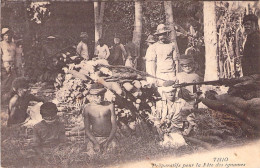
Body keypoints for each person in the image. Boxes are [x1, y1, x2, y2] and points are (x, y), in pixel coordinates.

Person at [83, 83, 117, 155]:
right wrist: (95, 143)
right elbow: (87, 130)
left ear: (104, 94)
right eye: (96, 95)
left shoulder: (110, 106)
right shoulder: (87, 109)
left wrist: (108, 142)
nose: (99, 97)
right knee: (92, 155)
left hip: (109, 138)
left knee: (112, 154)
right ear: (92, 96)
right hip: (95, 139)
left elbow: (114, 126)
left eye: (101, 95)